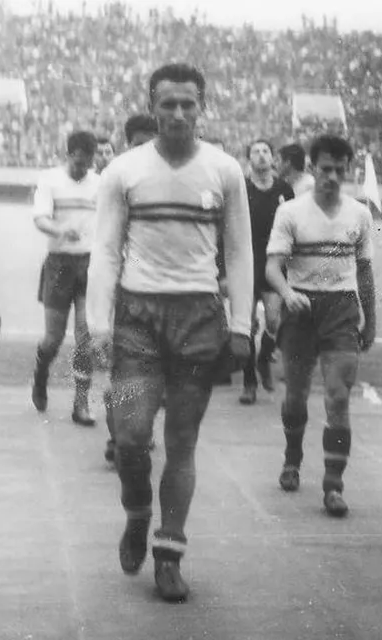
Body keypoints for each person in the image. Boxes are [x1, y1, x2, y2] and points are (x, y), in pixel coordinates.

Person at [88, 63, 252, 602]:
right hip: (136, 320)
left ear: (202, 106)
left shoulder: (224, 170)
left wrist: (243, 325)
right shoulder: (123, 171)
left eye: (188, 104)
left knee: (182, 441)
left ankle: (168, 551)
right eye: (168, 104)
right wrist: (97, 327)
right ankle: (137, 512)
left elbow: (240, 252)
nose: (178, 114)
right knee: (130, 435)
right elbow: (105, 251)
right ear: (151, 107)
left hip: (198, 320)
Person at [266, 134, 376, 517]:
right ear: (312, 168)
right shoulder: (291, 212)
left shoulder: (359, 215)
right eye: (325, 169)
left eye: (339, 170)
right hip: (301, 311)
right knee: (296, 397)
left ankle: (333, 486)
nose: (332, 177)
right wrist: (286, 292)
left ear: (348, 171)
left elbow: (365, 272)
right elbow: (272, 268)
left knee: (338, 397)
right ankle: (292, 458)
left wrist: (370, 320)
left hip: (341, 311)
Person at [31, 131, 100, 425]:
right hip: (59, 264)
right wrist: (60, 230)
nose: (82, 169)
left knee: (86, 338)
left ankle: (81, 403)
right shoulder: (50, 180)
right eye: (77, 163)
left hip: (90, 265)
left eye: (87, 164)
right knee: (53, 339)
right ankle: (41, 372)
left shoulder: (100, 183)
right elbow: (40, 218)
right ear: (68, 155)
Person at [103, 113, 160, 465]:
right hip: (127, 291)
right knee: (124, 371)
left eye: (151, 144)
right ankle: (118, 436)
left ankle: (140, 430)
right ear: (127, 145)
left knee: (156, 374)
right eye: (139, 145)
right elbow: (106, 246)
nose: (145, 152)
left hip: (166, 293)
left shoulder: (170, 182)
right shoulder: (118, 180)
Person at [240, 138, 295, 405]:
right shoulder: (242, 187)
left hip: (274, 261)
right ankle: (249, 382)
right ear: (248, 158)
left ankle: (264, 359)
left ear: (273, 158)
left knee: (274, 322)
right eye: (256, 151)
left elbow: (294, 226)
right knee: (246, 325)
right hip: (247, 261)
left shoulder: (284, 189)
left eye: (265, 151)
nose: (261, 155)